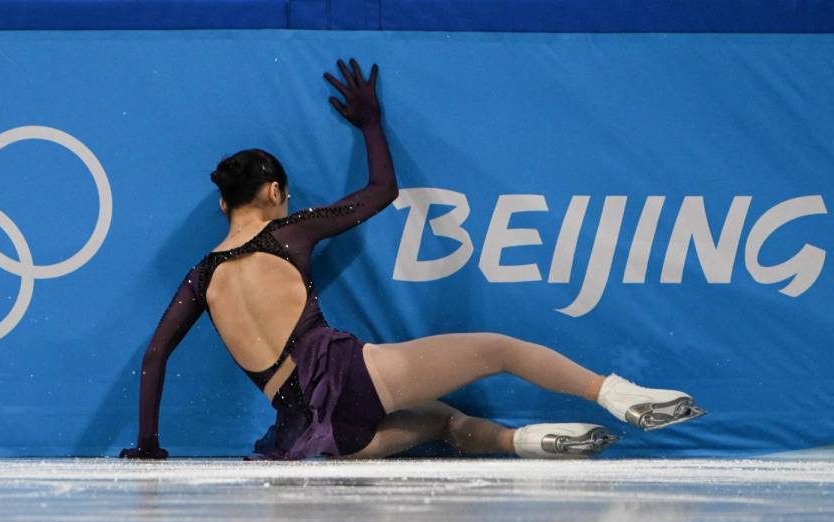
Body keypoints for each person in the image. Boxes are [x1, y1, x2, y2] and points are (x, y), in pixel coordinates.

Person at [120, 58, 703, 461]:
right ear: (275, 192)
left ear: (223, 202)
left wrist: (148, 444)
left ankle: (522, 443)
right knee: (498, 350)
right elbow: (382, 192)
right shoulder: (289, 233)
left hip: (312, 435)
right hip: (353, 380)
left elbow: (154, 355)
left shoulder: (201, 275)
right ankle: (623, 397)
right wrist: (371, 122)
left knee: (443, 421)